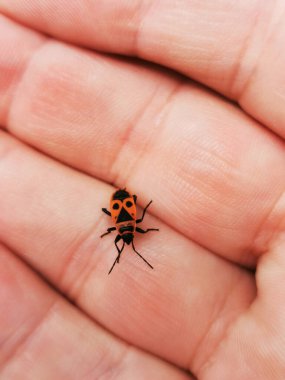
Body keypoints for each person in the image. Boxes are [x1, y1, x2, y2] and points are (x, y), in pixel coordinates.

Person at [0, 2, 284, 379]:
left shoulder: (126, 225)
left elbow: (129, 220)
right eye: (127, 230)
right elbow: (130, 219)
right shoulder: (127, 224)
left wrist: (132, 210)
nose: (128, 232)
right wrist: (133, 209)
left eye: (126, 232)